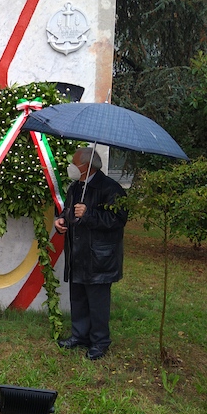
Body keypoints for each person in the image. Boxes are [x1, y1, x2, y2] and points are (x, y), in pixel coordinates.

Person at [54, 147, 128, 360]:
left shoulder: (111, 189)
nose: (71, 167)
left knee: (97, 302)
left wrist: (90, 214)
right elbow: (69, 211)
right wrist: (61, 219)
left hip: (99, 257)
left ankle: (100, 341)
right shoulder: (75, 187)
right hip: (78, 253)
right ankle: (80, 335)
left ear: (86, 166)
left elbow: (117, 220)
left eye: (74, 163)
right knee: (78, 297)